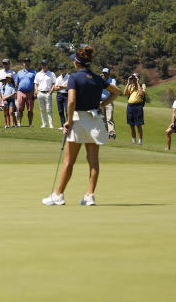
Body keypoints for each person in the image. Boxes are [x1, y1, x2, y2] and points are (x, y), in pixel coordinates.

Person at [43, 46, 120, 207]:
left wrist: (68, 121)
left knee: (69, 161)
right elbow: (117, 91)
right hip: (95, 120)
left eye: (74, 59)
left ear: (77, 62)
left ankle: (58, 195)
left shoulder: (74, 77)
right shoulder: (97, 78)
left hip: (78, 119)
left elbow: (71, 101)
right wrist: (102, 105)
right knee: (93, 161)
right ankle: (90, 195)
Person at [123, 74, 147, 145]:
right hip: (130, 106)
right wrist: (128, 83)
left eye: (135, 78)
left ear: (138, 78)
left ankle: (140, 141)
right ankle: (133, 140)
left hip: (138, 106)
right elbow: (124, 93)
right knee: (131, 124)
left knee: (138, 124)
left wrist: (137, 83)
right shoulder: (130, 86)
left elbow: (141, 93)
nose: (133, 79)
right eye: (133, 78)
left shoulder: (142, 85)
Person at [34, 60, 57, 129]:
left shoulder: (51, 74)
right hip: (40, 93)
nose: (44, 66)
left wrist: (50, 92)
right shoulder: (38, 74)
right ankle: (44, 124)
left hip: (47, 93)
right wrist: (37, 92)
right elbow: (36, 84)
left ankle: (51, 125)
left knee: (49, 110)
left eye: (45, 64)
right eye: (43, 65)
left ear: (47, 65)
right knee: (42, 109)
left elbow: (54, 84)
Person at [14, 58, 36, 127]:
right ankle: (19, 123)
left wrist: (35, 93)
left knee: (30, 110)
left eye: (28, 62)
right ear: (23, 63)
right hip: (20, 92)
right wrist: (15, 92)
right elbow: (16, 83)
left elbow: (36, 83)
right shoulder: (19, 72)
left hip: (30, 93)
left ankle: (30, 124)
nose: (26, 63)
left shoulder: (34, 72)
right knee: (20, 109)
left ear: (30, 63)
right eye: (25, 62)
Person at [100, 68, 117, 139]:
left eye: (106, 73)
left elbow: (112, 89)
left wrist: (104, 82)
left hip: (109, 101)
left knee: (109, 118)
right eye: (103, 73)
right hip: (100, 101)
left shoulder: (112, 81)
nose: (104, 74)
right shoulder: (100, 80)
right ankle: (105, 133)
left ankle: (112, 134)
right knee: (102, 118)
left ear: (109, 74)